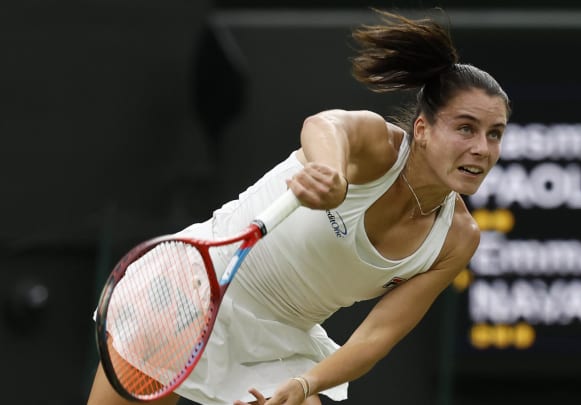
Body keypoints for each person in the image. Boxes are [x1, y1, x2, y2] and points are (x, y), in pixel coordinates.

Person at [86, 7, 511, 405]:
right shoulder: (377, 147)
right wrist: (331, 173)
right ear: (422, 129)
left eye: (494, 134)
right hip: (191, 288)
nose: (481, 148)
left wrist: (305, 383)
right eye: (465, 128)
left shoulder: (457, 238)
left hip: (280, 340)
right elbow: (324, 125)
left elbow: (375, 337)